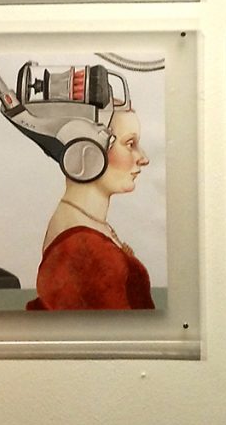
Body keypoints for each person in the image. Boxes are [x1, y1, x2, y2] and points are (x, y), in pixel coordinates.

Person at [27, 106, 153, 310]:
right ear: (88, 152)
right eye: (130, 144)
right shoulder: (85, 248)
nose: (144, 158)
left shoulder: (84, 227)